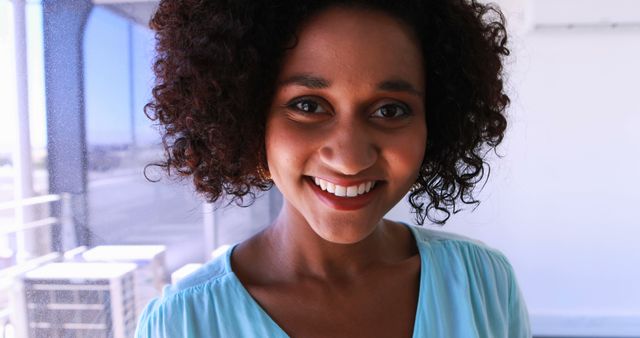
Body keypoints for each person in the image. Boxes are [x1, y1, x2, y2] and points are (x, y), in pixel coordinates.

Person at [135, 0, 531, 337]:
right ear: (249, 117)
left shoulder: (484, 284)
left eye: (390, 110)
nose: (350, 157)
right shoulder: (182, 325)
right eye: (308, 105)